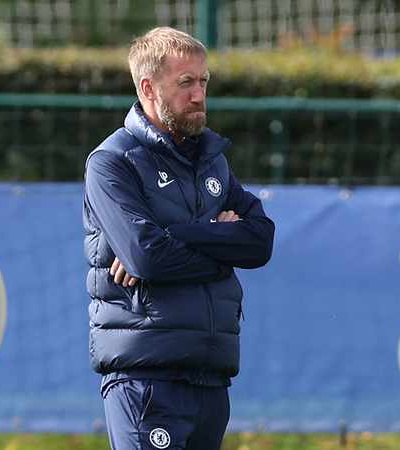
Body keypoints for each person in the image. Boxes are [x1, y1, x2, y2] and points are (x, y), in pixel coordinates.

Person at [83, 26, 275, 450]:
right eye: (186, 82)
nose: (199, 95)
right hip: (146, 377)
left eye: (204, 81)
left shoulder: (211, 160)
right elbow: (147, 257)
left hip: (210, 374)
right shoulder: (112, 162)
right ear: (148, 88)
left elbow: (260, 241)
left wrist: (178, 234)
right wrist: (221, 243)